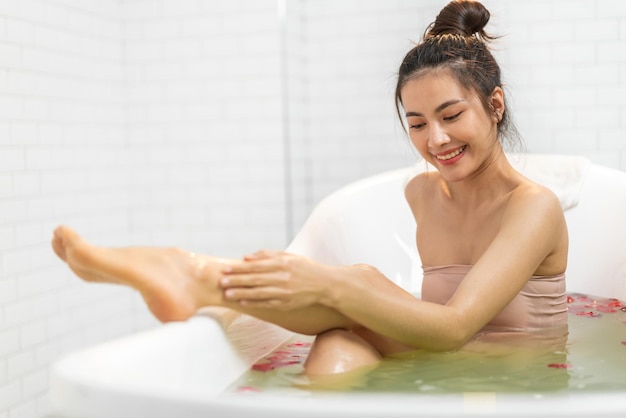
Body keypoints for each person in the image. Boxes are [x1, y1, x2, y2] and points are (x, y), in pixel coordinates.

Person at [51, 0, 568, 380]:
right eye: (416, 123)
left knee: (357, 283)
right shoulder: (422, 195)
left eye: (451, 115)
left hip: (515, 378)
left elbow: (456, 327)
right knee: (333, 356)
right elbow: (436, 331)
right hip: (440, 360)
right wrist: (340, 289)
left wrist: (332, 286)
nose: (435, 139)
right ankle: (191, 277)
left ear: (494, 106)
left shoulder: (534, 207)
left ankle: (195, 274)